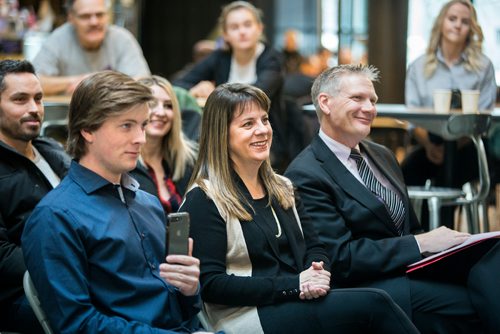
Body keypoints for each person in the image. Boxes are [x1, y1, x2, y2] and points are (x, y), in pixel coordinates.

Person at [181, 83, 419, 334]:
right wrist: (294, 284)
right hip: (244, 316)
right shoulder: (205, 197)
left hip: (293, 301)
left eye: (264, 120)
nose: (262, 130)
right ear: (221, 134)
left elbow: (316, 247)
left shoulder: (283, 187)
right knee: (374, 304)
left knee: (375, 301)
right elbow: (212, 284)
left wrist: (317, 269)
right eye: (248, 124)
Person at [285, 64, 500, 333]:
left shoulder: (382, 155)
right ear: (325, 103)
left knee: (491, 258)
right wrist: (419, 243)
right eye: (358, 98)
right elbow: (340, 259)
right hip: (370, 286)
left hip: (410, 269)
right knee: (475, 302)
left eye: (373, 100)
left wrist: (446, 248)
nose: (370, 108)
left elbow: (410, 227)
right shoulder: (306, 173)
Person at [21, 71, 207, 333]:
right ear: (87, 129)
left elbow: (181, 306)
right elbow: (78, 325)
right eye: (126, 126)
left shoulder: (148, 203)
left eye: (142, 125)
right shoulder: (55, 217)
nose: (141, 138)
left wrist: (189, 290)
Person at [403, 0, 497, 228]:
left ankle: (443, 238)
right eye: (452, 19)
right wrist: (429, 146)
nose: (457, 25)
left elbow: (483, 119)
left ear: (471, 29)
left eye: (465, 21)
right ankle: (418, 235)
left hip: (470, 146)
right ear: (441, 24)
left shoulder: (483, 66)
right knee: (400, 174)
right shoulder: (418, 66)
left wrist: (456, 143)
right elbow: (413, 118)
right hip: (430, 145)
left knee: (451, 172)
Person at [173, 1, 288, 171]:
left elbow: (253, 97)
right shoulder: (220, 57)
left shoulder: (272, 58)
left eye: (247, 25)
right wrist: (196, 88)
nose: (242, 32)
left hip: (265, 137)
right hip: (223, 135)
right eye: (234, 27)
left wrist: (214, 94)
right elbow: (178, 83)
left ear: (259, 28)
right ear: (225, 35)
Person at [0, 59, 70, 333]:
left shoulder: (52, 150)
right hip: (23, 293)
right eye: (20, 99)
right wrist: (66, 263)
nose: (34, 109)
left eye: (38, 99)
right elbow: (3, 256)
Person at [32, 0, 151, 96]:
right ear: (71, 18)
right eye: (85, 16)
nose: (94, 22)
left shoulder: (122, 39)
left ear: (107, 15)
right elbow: (34, 82)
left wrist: (95, 83)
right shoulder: (58, 39)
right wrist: (76, 81)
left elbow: (143, 82)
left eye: (99, 15)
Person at [130, 75, 197, 214]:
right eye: (151, 104)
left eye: (168, 106)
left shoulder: (189, 160)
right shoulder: (122, 164)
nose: (161, 112)